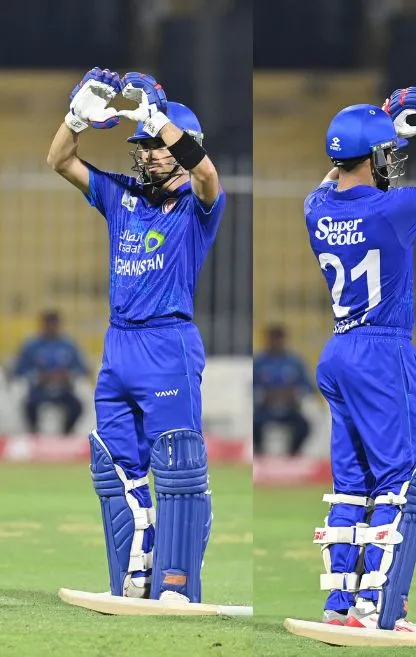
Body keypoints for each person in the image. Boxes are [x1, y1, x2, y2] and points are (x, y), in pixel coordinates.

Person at [304, 85, 416, 632]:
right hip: (382, 352)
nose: (395, 162)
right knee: (400, 480)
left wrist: (382, 126)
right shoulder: (392, 208)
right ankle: (381, 608)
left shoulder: (315, 207)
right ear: (375, 158)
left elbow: (332, 176)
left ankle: (340, 606)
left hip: (338, 350)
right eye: (388, 154)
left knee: (351, 483)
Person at [46, 68, 226, 603]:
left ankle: (177, 585)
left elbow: (209, 175)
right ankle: (131, 579)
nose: (147, 154)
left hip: (167, 343)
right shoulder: (121, 195)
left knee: (179, 466)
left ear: (180, 145)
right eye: (142, 146)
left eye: (156, 145)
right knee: (116, 470)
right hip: (118, 345)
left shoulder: (198, 205)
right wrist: (75, 117)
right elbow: (59, 160)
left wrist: (161, 121)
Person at [14, 310, 88, 435]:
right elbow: (19, 369)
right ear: (42, 325)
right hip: (39, 389)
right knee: (29, 405)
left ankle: (66, 434)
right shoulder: (31, 345)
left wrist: (69, 375)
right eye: (48, 323)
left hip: (63, 389)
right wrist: (36, 376)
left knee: (77, 406)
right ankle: (35, 434)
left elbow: (82, 368)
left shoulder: (68, 344)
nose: (52, 327)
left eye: (55, 323)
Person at [253, 324, 313, 456]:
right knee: (254, 424)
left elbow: (307, 387)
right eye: (272, 339)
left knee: (304, 426)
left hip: (290, 409)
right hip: (265, 409)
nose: (276, 342)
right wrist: (264, 395)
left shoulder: (294, 361)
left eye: (278, 339)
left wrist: (295, 394)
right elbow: (251, 388)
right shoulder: (259, 362)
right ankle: (259, 454)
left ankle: (293, 455)